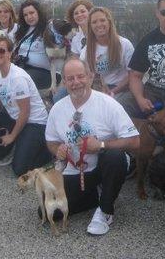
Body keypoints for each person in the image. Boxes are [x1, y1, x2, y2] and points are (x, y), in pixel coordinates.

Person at [45, 58, 139, 235]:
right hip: (75, 170)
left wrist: (101, 144)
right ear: (64, 82)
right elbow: (51, 141)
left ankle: (105, 210)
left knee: (115, 156)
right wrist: (57, 149)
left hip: (103, 166)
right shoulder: (58, 108)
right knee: (51, 212)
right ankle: (96, 195)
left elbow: (135, 140)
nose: (76, 82)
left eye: (80, 76)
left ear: (90, 77)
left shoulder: (108, 104)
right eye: (70, 79)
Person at [0, 36, 52, 176]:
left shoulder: (18, 78)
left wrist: (12, 136)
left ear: (10, 53)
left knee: (19, 169)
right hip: (15, 118)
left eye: (1, 50)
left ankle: (47, 151)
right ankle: (8, 152)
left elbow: (25, 112)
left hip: (34, 123)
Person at [80, 7, 134, 98]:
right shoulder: (86, 51)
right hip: (97, 90)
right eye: (94, 22)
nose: (99, 24)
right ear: (90, 26)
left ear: (109, 22)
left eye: (102, 20)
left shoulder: (125, 44)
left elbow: (132, 75)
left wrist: (113, 91)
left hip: (121, 89)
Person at [13, 0, 52, 90]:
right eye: (25, 15)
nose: (29, 17)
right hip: (22, 68)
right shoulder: (22, 30)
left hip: (43, 72)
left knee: (17, 82)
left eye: (32, 13)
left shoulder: (48, 28)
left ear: (38, 12)